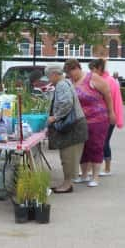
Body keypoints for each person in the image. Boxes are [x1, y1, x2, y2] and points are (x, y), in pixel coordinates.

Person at [63, 59, 115, 187]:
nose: (70, 76)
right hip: (80, 120)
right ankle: (84, 174)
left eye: (70, 73)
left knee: (95, 146)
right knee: (82, 147)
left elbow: (107, 94)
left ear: (76, 68)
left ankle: (95, 176)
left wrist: (111, 112)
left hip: (97, 119)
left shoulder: (93, 78)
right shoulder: (70, 82)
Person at [46, 65, 88, 193]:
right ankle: (66, 183)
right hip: (75, 126)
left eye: (48, 76)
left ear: (54, 74)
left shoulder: (61, 85)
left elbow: (66, 103)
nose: (49, 79)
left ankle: (67, 185)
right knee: (67, 156)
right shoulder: (66, 83)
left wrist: (55, 117)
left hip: (73, 127)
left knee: (69, 157)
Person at [89, 59, 124, 175]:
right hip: (101, 116)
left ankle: (107, 168)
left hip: (107, 117)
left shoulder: (108, 81)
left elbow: (115, 100)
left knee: (103, 142)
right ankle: (97, 168)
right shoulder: (103, 80)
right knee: (100, 142)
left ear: (98, 68)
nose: (91, 72)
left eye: (92, 69)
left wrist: (115, 116)